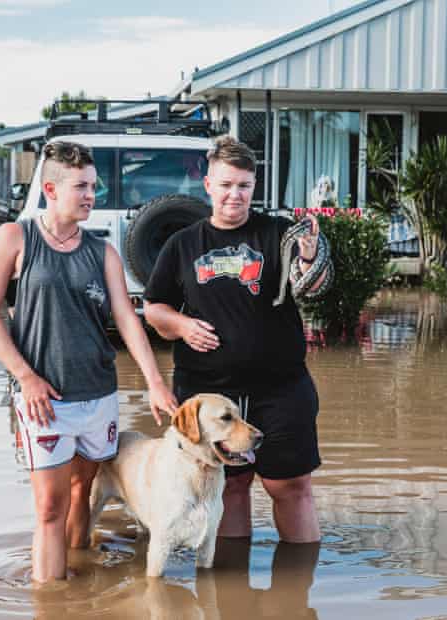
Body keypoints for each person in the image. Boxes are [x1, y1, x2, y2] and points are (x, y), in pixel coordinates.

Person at [0, 141, 177, 583]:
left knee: (82, 489)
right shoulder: (14, 238)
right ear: (51, 187)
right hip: (43, 399)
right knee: (50, 506)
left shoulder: (102, 253)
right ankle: (51, 599)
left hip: (98, 396)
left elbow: (127, 321)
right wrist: (25, 377)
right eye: (82, 187)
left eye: (93, 187)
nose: (92, 196)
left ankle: (79, 577)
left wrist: (156, 383)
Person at [144, 135, 331, 544]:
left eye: (244, 186)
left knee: (290, 487)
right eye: (226, 185)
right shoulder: (182, 244)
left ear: (254, 186)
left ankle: (298, 594)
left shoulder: (281, 234)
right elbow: (153, 308)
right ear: (208, 185)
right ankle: (230, 595)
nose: (235, 195)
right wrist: (181, 326)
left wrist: (311, 256)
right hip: (209, 394)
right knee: (227, 488)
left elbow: (314, 287)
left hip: (281, 388)